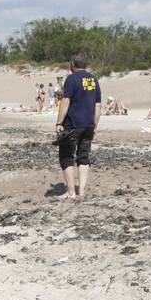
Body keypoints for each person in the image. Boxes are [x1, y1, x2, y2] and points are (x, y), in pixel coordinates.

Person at [54, 53, 102, 201]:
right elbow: (98, 105)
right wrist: (94, 126)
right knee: (83, 157)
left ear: (72, 65)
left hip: (73, 124)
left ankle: (71, 192)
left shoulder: (71, 78)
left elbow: (66, 101)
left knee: (66, 156)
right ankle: (81, 191)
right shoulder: (93, 79)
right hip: (88, 124)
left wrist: (59, 122)